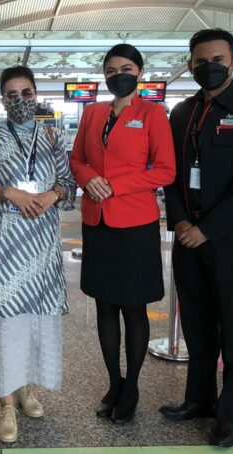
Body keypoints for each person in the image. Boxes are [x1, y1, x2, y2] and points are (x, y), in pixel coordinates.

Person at [161, 28, 233, 448]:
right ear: (190, 65)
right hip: (185, 234)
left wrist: (206, 229)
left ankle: (228, 416)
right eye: (199, 61)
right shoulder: (181, 112)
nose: (208, 67)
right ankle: (199, 400)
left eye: (217, 59)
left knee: (231, 324)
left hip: (227, 239)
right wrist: (178, 222)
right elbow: (170, 174)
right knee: (194, 321)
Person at [69, 44, 176, 425]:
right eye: (111, 69)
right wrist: (89, 178)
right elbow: (77, 159)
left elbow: (165, 170)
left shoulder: (152, 113)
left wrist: (114, 184)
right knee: (104, 305)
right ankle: (114, 381)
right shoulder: (92, 112)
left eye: (126, 68)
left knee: (134, 307)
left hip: (135, 223)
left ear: (140, 72)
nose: (118, 75)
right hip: (97, 222)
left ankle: (132, 386)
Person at [0, 66, 76, 443]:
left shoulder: (52, 137)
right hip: (3, 251)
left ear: (36, 95)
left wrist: (52, 195)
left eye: (26, 93)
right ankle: (4, 403)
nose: (20, 101)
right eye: (12, 95)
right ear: (3, 100)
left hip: (42, 250)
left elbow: (68, 183)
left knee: (34, 324)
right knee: (3, 326)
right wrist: (11, 192)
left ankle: (25, 388)